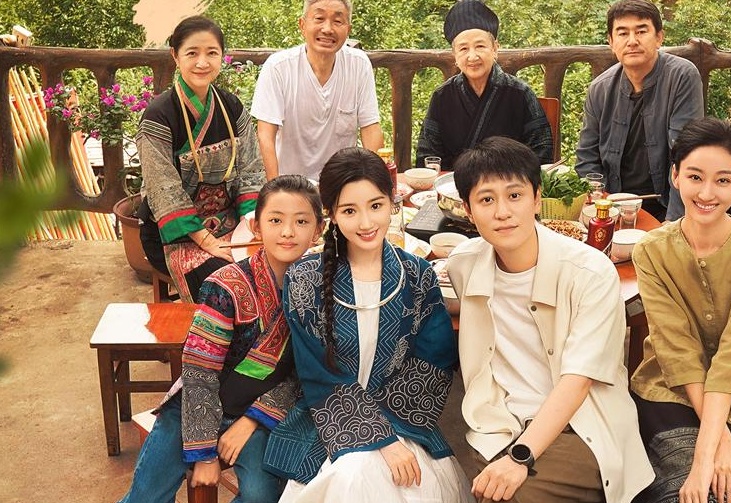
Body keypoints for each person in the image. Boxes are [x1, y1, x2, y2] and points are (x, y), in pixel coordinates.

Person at [446, 136, 654, 503]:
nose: (502, 212)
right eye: (486, 200)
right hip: (500, 422)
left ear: (537, 198)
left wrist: (519, 457)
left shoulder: (590, 272)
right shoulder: (464, 265)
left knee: (505, 497)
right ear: (467, 209)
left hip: (581, 425)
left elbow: (578, 380)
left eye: (515, 195)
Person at [267, 147, 471, 502]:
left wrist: (390, 434)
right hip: (327, 419)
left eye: (375, 206)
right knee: (355, 473)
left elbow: (433, 363)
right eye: (349, 210)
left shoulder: (417, 276)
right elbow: (319, 374)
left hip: (402, 419)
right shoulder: (305, 279)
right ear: (331, 214)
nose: (365, 223)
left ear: (392, 202)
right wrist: (378, 439)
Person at [117, 174, 323, 503]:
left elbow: (304, 373)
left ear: (318, 230)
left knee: (261, 496)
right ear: (256, 227)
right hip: (196, 405)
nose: (287, 232)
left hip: (259, 411)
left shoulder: (319, 291)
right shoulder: (224, 285)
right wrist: (203, 453)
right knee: (147, 496)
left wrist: (252, 420)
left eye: (301, 221)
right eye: (275, 220)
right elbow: (200, 371)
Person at [629, 117, 731, 503]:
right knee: (680, 491)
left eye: (722, 180)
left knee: (726, 491)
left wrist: (708, 456)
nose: (706, 193)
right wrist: (717, 448)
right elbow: (677, 351)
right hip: (669, 390)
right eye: (695, 177)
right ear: (675, 176)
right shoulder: (651, 250)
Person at [137, 15, 266, 304]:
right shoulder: (158, 116)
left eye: (212, 53)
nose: (202, 62)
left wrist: (250, 223)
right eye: (192, 53)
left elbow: (252, 170)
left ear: (222, 56)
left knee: (274, 268)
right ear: (175, 56)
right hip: (177, 236)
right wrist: (207, 240)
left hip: (233, 224)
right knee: (232, 286)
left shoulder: (231, 107)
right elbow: (163, 191)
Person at [575, 0, 704, 222]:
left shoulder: (682, 76)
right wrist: (602, 207)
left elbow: (686, 155)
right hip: (613, 204)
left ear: (659, 37)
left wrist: (673, 223)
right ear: (611, 42)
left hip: (666, 205)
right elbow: (587, 157)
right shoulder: (600, 88)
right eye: (623, 33)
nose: (632, 41)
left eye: (641, 31)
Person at [251, 0, 384, 181]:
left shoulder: (359, 64)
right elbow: (265, 136)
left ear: (348, 29)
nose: (327, 29)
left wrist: (375, 183)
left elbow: (371, 128)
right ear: (302, 25)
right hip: (290, 184)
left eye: (338, 21)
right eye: (319, 18)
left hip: (342, 182)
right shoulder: (278, 67)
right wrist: (275, 189)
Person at [414, 0, 553, 170]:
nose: (472, 56)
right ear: (454, 55)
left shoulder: (520, 93)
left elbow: (542, 153)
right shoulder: (442, 96)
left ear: (495, 49)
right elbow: (427, 157)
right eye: (463, 49)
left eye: (480, 46)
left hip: (508, 183)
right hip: (454, 184)